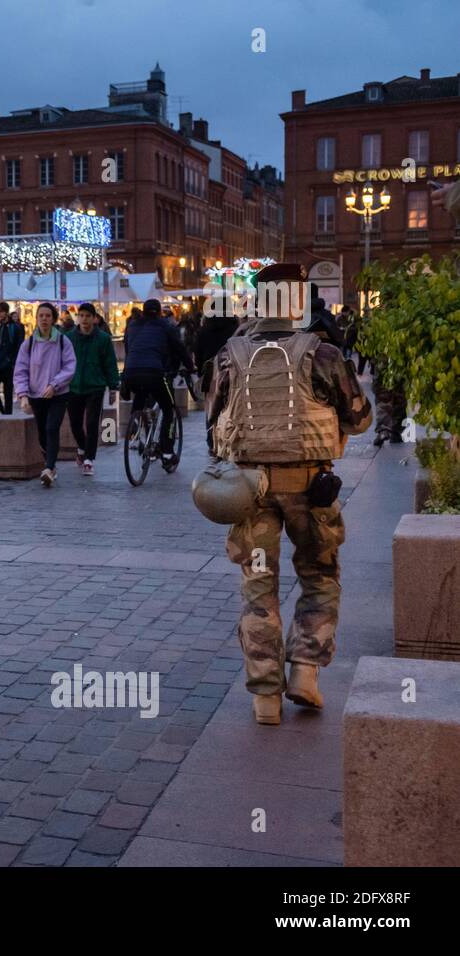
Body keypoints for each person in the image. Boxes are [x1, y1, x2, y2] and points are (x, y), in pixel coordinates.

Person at [203, 263, 370, 726]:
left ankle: (264, 698)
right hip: (310, 492)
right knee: (319, 575)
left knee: (258, 590)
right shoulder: (324, 354)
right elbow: (359, 419)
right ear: (298, 301)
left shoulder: (228, 354)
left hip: (249, 492)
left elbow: (211, 419)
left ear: (259, 302)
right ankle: (305, 674)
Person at [121, 298, 195, 461]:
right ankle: (167, 452)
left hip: (131, 373)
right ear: (160, 312)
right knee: (169, 408)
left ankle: (135, 425)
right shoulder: (166, 326)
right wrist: (190, 366)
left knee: (140, 397)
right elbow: (179, 348)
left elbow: (128, 348)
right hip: (155, 372)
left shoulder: (132, 325)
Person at [14, 302, 76, 487]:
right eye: (41, 315)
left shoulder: (63, 341)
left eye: (48, 316)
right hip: (36, 394)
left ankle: (49, 467)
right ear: (36, 318)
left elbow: (70, 366)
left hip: (58, 394)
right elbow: (20, 370)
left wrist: (55, 384)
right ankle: (50, 465)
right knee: (42, 431)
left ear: (54, 319)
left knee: (51, 428)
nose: (44, 319)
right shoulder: (29, 343)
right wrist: (23, 394)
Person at [65, 303, 120, 476]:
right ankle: (82, 447)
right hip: (73, 386)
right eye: (81, 315)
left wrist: (113, 387)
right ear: (77, 317)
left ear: (94, 318)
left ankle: (89, 459)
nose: (84, 319)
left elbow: (110, 363)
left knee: (92, 422)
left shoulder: (103, 338)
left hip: (95, 386)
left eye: (88, 316)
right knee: (74, 423)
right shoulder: (68, 337)